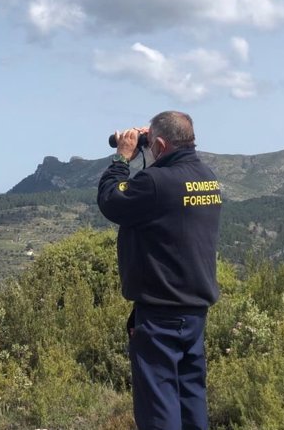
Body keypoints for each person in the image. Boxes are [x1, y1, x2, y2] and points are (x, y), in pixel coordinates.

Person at [97, 111, 222, 430]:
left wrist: (122, 158)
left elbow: (111, 201)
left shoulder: (154, 183)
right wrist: (152, 147)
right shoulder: (206, 177)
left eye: (152, 143)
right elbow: (165, 191)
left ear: (162, 143)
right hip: (194, 311)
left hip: (159, 314)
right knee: (190, 397)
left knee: (158, 406)